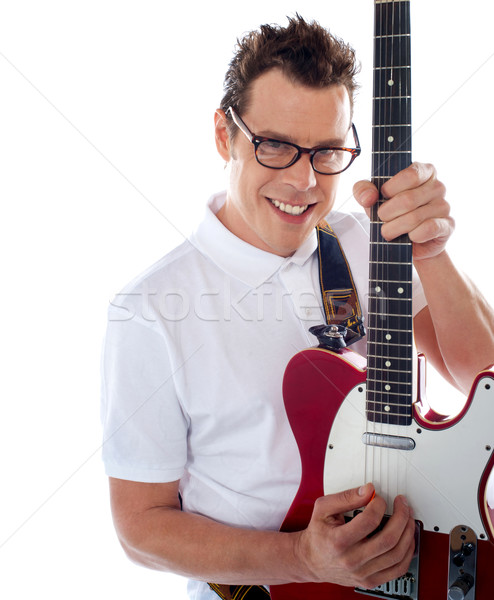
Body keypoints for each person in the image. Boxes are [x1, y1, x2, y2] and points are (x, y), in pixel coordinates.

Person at [101, 15, 494, 600]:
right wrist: (302, 560)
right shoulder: (150, 309)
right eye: (277, 146)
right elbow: (140, 528)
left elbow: (480, 371)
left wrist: (432, 251)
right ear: (223, 135)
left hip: (418, 573)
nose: (305, 181)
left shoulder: (366, 241)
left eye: (328, 151)